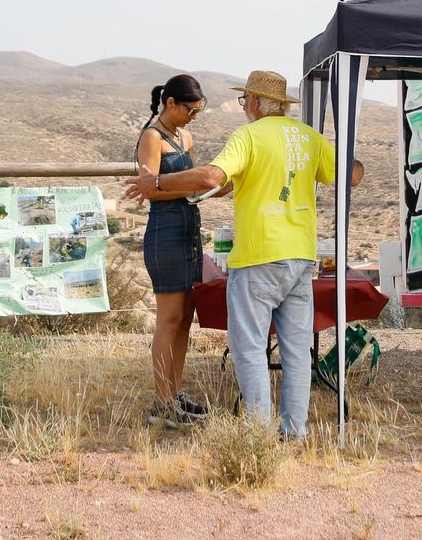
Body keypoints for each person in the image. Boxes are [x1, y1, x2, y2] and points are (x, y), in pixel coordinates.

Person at [126, 70, 361, 439]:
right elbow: (353, 175)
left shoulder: (248, 135)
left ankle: (258, 434)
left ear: (253, 102)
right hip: (301, 256)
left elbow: (210, 179)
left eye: (244, 101)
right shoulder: (309, 137)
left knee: (250, 347)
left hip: (258, 256)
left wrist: (156, 182)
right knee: (297, 350)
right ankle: (294, 431)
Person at [134, 74, 212, 427]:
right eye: (190, 110)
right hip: (164, 232)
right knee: (168, 319)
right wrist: (187, 188)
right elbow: (147, 190)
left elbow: (193, 180)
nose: (193, 116)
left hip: (190, 230)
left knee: (184, 320)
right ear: (171, 104)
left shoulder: (186, 136)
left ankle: (175, 394)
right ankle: (161, 403)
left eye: (198, 111)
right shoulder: (152, 137)